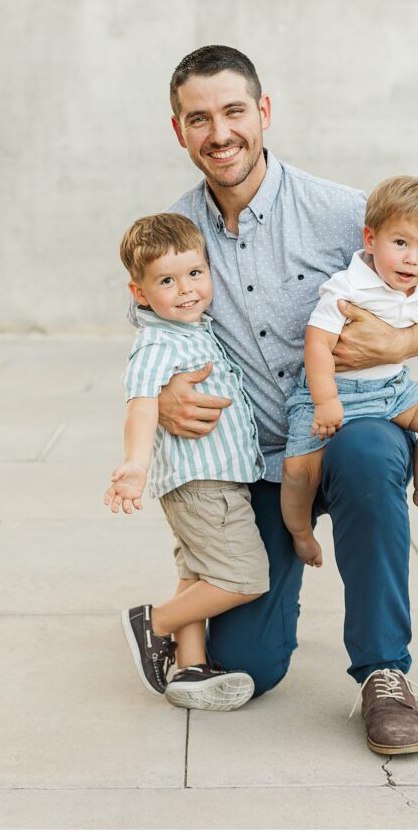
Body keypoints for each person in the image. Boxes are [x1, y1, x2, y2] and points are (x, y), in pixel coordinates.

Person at [145, 45, 418, 755]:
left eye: (234, 111)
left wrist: (398, 344)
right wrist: (165, 397)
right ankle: (253, 609)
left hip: (351, 428)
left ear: (263, 112)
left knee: (373, 453)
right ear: (179, 130)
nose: (220, 133)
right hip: (259, 460)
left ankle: (383, 672)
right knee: (249, 668)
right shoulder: (174, 235)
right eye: (199, 119)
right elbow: (153, 336)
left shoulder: (346, 212)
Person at [280, 174, 418, 568]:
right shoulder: (346, 288)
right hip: (334, 395)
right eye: (400, 243)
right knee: (297, 472)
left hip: (390, 390)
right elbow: (317, 344)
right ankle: (300, 532)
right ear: (371, 239)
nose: (412, 259)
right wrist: (325, 401)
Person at [104, 212, 269, 711]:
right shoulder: (158, 342)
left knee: (198, 571)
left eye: (195, 273)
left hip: (210, 479)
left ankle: (192, 667)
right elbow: (141, 404)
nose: (186, 289)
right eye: (167, 281)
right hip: (203, 481)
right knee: (244, 577)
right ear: (139, 292)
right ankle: (153, 624)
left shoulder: (196, 329)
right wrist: (135, 464)